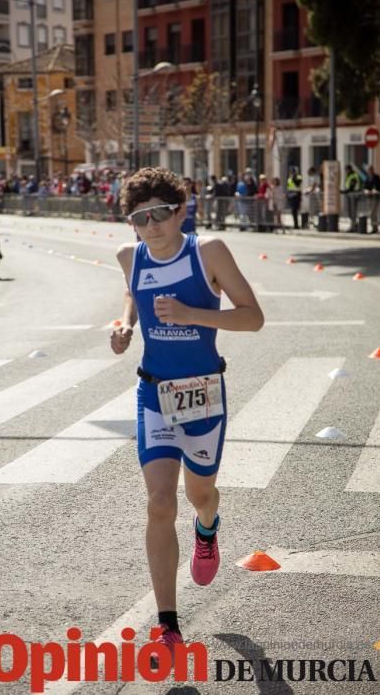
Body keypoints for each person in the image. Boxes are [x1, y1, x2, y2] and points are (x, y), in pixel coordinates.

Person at [110, 167, 264, 662]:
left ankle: (208, 527)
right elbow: (134, 292)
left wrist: (194, 315)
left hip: (202, 393)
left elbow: (253, 317)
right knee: (158, 502)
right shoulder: (128, 257)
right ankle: (169, 626)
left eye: (159, 213)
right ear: (130, 222)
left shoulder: (208, 251)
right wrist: (124, 324)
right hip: (154, 392)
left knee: (200, 494)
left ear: (180, 211)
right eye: (140, 217)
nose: (151, 225)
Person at [363, 165, 380, 233]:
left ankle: (375, 227)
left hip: (375, 197)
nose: (369, 171)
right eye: (368, 170)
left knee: (374, 213)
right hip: (369, 197)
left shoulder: (376, 177)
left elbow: (377, 186)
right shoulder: (367, 177)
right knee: (371, 213)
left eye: (370, 170)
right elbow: (365, 186)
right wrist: (366, 190)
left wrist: (374, 190)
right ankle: (374, 227)